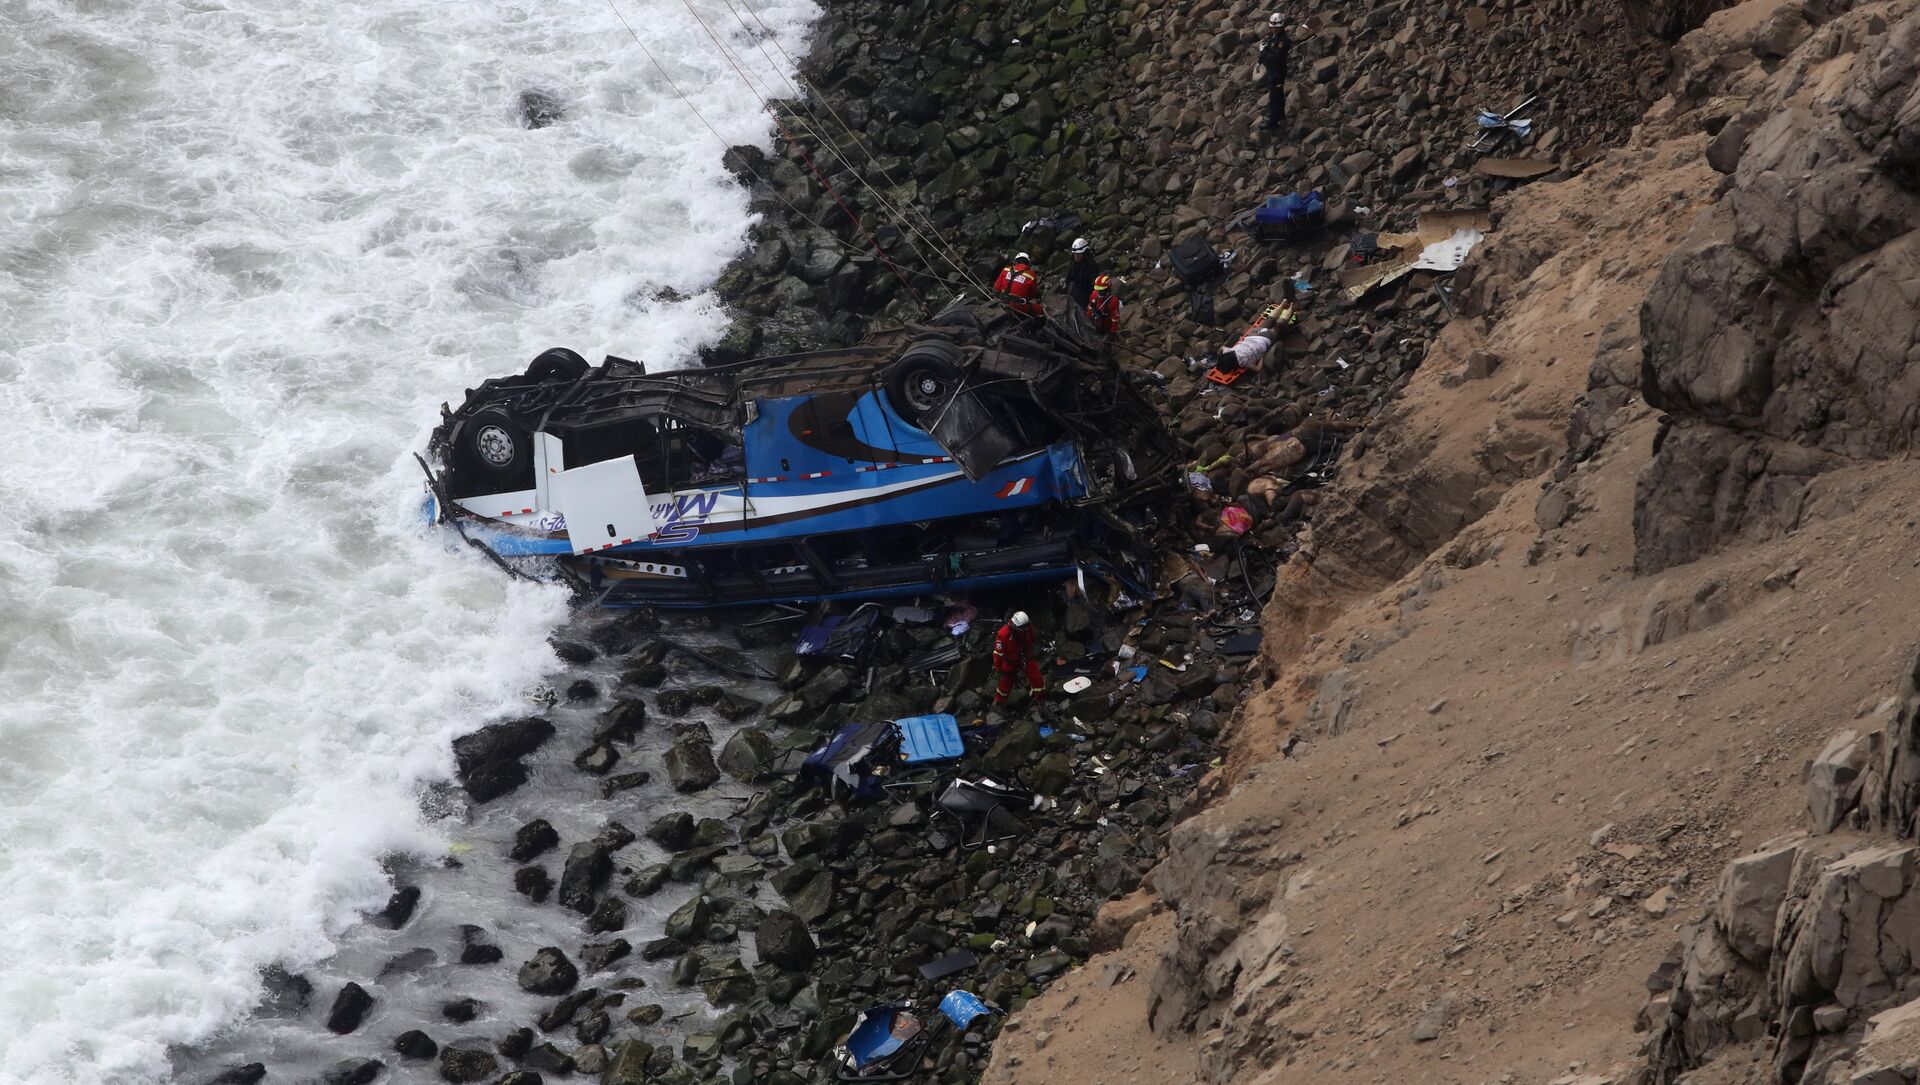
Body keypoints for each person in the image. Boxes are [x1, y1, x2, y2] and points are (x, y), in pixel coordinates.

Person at [991, 611, 1045, 706]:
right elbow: (998, 654)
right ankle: (999, 702)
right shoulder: (1004, 634)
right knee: (1006, 682)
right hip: (1011, 661)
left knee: (1036, 677)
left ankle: (1041, 699)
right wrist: (998, 668)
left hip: (1025, 657)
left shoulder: (1027, 627)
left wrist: (1029, 653)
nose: (1025, 629)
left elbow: (1030, 639)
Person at [1257, 13, 1292, 132]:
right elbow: (1267, 50)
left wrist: (1264, 51)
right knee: (1278, 94)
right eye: (1273, 27)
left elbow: (1275, 58)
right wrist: (1259, 61)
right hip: (1272, 70)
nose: (1275, 29)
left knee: (1275, 96)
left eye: (1277, 27)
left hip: (1278, 71)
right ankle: (1280, 116)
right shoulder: (1272, 37)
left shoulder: (1283, 41)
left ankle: (1272, 121)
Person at [993, 252, 1044, 317]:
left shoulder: (1005, 269)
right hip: (1019, 306)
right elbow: (1032, 295)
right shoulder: (1031, 275)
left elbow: (996, 287)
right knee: (1041, 309)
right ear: (1028, 263)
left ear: (1015, 262)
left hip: (1002, 301)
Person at [1064, 237, 1102, 311]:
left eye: (1079, 254)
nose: (1076, 256)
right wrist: (1066, 282)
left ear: (1084, 254)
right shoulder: (1074, 263)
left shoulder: (1091, 266)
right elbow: (1070, 273)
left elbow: (1093, 284)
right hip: (1076, 290)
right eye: (1075, 254)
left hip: (1086, 294)